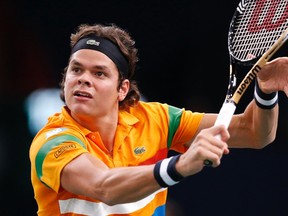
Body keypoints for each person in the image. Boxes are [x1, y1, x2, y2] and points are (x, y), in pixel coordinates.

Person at [29, 23, 288, 216]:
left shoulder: (156, 120)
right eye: (76, 69)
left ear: (122, 89)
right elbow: (104, 186)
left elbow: (255, 132)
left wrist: (265, 92)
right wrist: (180, 165)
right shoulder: (53, 141)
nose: (83, 78)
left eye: (99, 73)